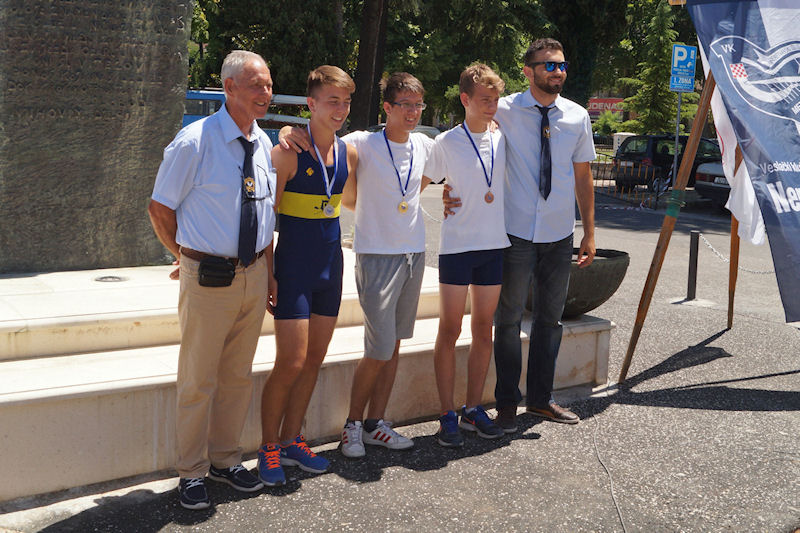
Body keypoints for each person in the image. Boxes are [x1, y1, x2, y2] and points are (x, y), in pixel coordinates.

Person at [279, 72, 434, 459]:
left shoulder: (426, 145)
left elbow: (461, 154)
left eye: (418, 105)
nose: (413, 112)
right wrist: (287, 130)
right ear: (387, 107)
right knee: (378, 347)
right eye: (405, 105)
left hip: (414, 254)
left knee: (393, 345)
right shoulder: (361, 143)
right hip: (375, 254)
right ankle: (352, 424)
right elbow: (319, 138)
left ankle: (375, 423)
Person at [148, 50, 277, 510]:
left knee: (237, 377)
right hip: (208, 277)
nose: (265, 93)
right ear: (229, 87)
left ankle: (225, 460)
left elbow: (263, 215)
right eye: (256, 85)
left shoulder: (264, 144)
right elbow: (160, 208)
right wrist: (185, 254)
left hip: (253, 274)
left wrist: (269, 274)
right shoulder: (194, 142)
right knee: (198, 379)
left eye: (268, 85)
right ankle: (191, 471)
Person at [448, 38, 596, 431]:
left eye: (562, 65)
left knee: (550, 321)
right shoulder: (505, 109)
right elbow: (468, 139)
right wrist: (451, 189)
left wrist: (589, 232)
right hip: (514, 234)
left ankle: (541, 400)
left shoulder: (577, 116)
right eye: (549, 65)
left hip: (559, 233)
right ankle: (507, 404)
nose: (558, 72)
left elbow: (583, 176)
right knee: (508, 321)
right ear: (528, 71)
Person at [257, 65, 358, 485]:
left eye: (346, 102)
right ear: (311, 104)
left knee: (314, 359)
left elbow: (360, 200)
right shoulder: (286, 153)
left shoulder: (349, 153)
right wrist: (269, 273)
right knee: (290, 361)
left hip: (330, 268)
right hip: (294, 268)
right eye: (332, 101)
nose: (340, 109)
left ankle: (292, 440)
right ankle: (267, 448)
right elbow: (265, 220)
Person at [423, 64, 509, 447]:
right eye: (484, 100)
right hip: (457, 247)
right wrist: (436, 199)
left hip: (493, 246)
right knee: (450, 329)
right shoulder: (446, 142)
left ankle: (473, 408)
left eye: (495, 99)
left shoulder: (503, 138)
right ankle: (446, 414)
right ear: (465, 99)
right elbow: (416, 185)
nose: (491, 106)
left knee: (483, 328)